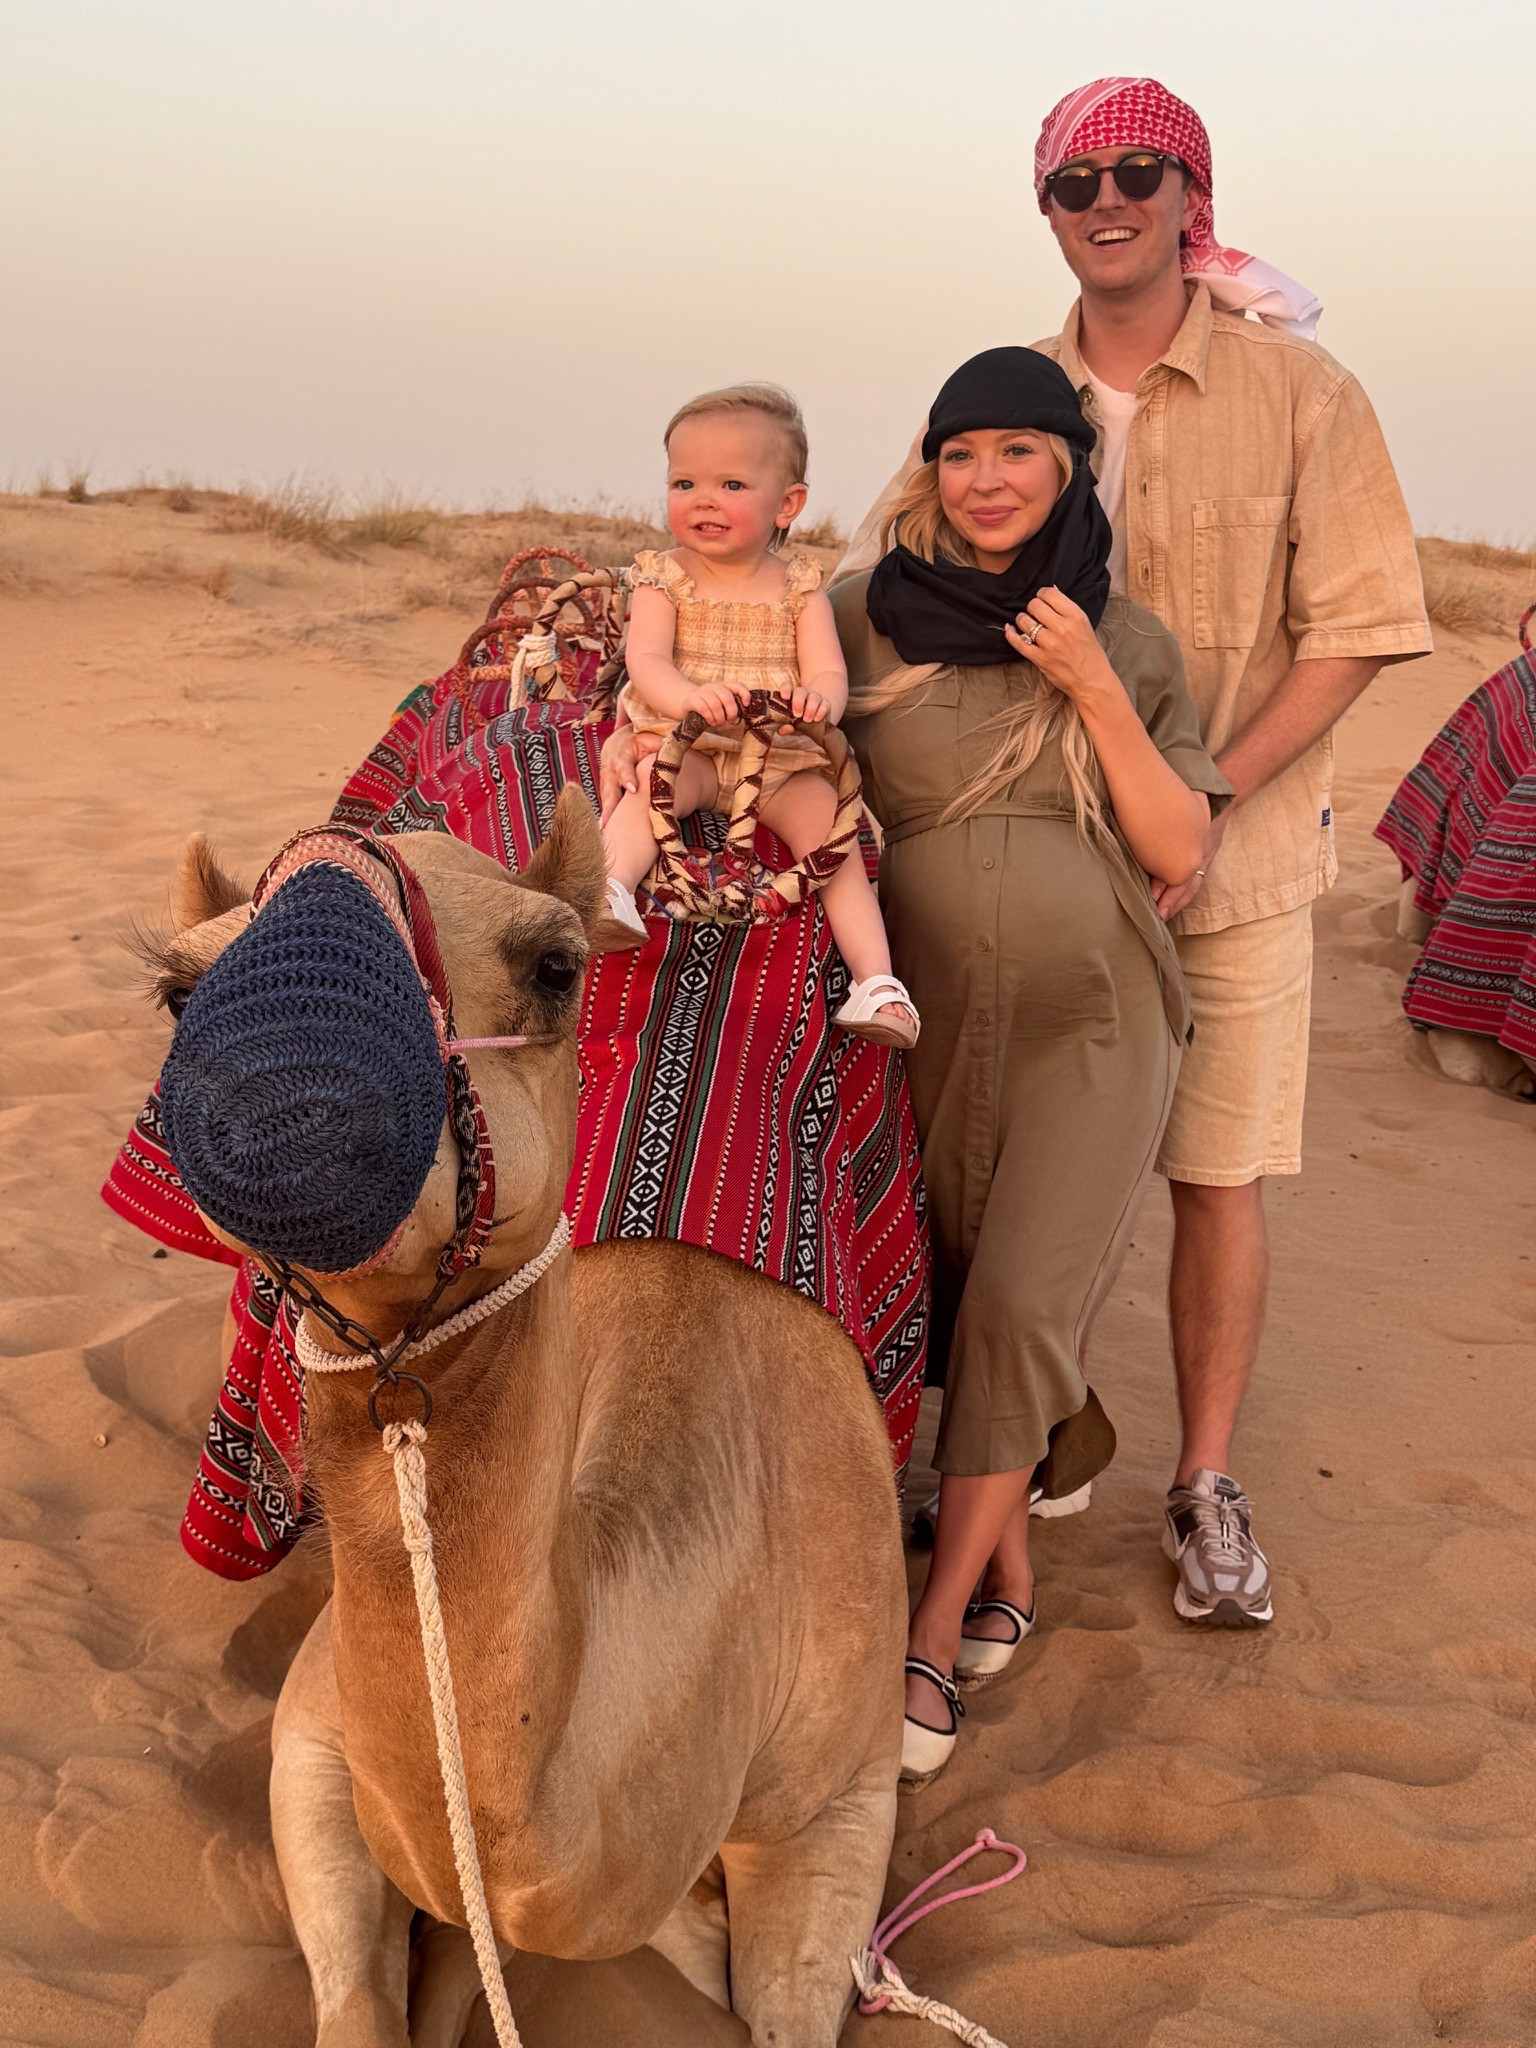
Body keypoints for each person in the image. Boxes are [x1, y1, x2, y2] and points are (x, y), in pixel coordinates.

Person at [842, 77, 1431, 1627]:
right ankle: (1007, 1450)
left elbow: (1359, 628)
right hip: (1024, 868)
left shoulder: (1303, 392)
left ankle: (1207, 1479)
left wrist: (1206, 793)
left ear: (1191, 194)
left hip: (1222, 862)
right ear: (1046, 208)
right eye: (1073, 179)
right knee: (975, 1166)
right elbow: (884, 589)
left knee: (1215, 1172)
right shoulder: (1003, 396)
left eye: (1140, 171)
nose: (1107, 198)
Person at [833, 347, 1228, 1783]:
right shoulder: (861, 617)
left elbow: (1180, 848)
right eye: (962, 452)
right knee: (932, 1277)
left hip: (1095, 1020)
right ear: (930, 468)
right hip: (912, 1016)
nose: (988, 480)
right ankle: (1010, 1562)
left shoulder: (1125, 636)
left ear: (1068, 467)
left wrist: (1089, 687)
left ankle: (931, 1631)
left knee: (1016, 1300)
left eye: (1020, 452)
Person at [602, 382, 917, 1045]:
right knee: (649, 792)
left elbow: (829, 673)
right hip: (689, 744)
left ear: (789, 504)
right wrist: (688, 698)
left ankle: (877, 984)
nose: (704, 500)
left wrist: (817, 703)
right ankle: (608, 891)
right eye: (684, 482)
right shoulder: (663, 577)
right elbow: (647, 661)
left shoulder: (801, 590)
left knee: (832, 842)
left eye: (732, 485)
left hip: (780, 757)